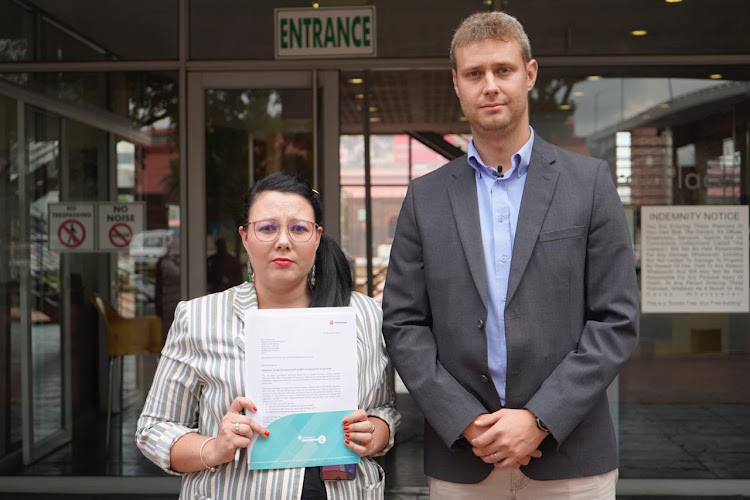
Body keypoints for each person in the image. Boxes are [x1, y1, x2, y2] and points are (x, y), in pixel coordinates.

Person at [382, 11, 639, 500]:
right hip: (464, 456)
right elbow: (402, 323)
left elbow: (615, 320)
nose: (491, 86)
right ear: (456, 84)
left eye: (503, 70)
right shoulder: (425, 197)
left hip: (571, 457)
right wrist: (465, 420)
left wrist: (541, 419)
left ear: (530, 74)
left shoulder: (589, 184)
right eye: (475, 74)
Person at [137, 172, 400, 499]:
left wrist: (374, 433)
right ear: (244, 237)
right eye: (267, 228)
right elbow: (153, 430)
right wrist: (214, 447)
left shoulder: (363, 315)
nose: (283, 241)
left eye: (299, 228)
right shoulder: (200, 318)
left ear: (317, 237)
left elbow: (384, 408)